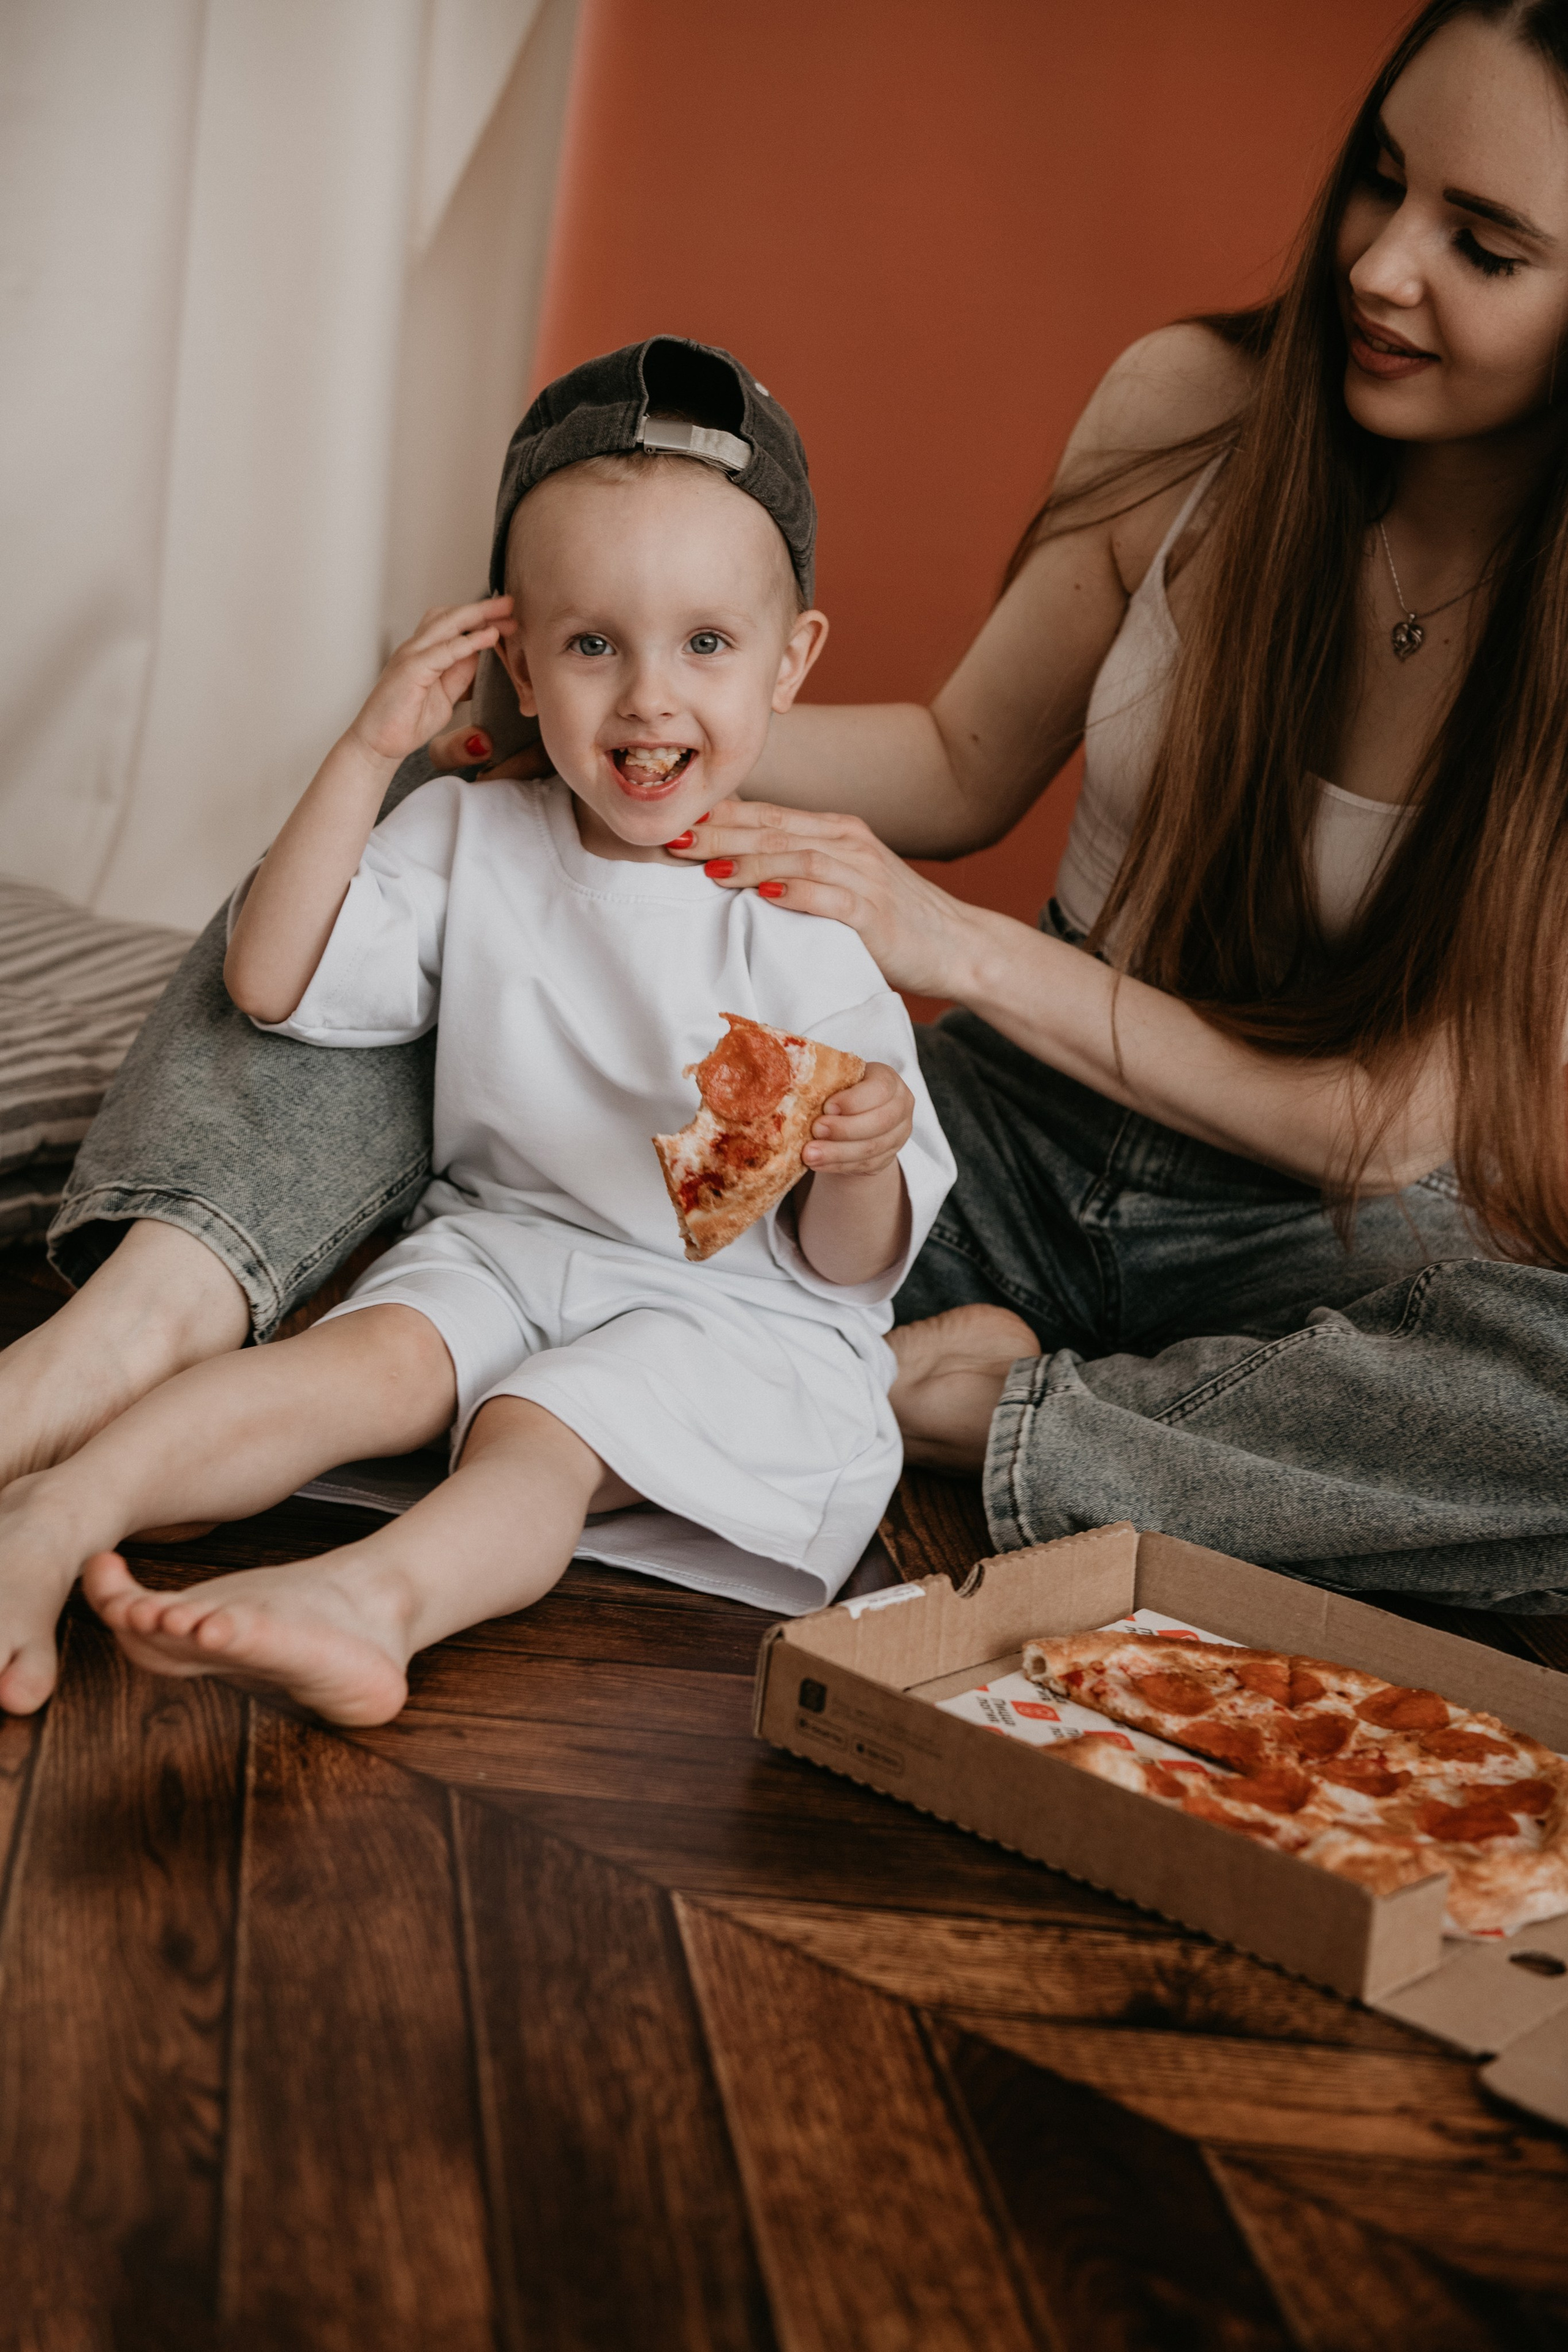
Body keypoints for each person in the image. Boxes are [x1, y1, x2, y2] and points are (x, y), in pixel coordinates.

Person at [5, 0, 1567, 1662]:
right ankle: (119, 1337)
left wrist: (953, 945)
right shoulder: (1194, 413)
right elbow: (966, 759)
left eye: (1481, 245)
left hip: (1306, 1233)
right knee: (450, 825)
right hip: (1003, 1155)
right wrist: (607, 752)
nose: (1382, 268)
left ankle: (988, 1413)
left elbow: (1380, 1131)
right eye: (1379, 183)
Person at [0, 339, 953, 1721]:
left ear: (788, 663)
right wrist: (367, 749)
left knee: (536, 1434)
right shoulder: (469, 835)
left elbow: (844, 1267)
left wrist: (860, 1155)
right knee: (338, 1372)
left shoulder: (800, 915)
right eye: (589, 644)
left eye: (703, 643)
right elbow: (268, 981)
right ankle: (52, 1511)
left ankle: (371, 1603)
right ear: (515, 654)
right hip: (506, 1248)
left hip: (724, 1319)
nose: (646, 696)